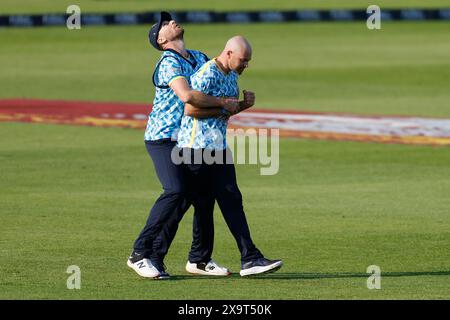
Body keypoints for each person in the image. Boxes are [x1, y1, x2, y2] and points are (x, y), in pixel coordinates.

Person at [127, 12, 238, 280]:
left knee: (201, 196)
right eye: (165, 24)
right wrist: (222, 103)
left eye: (170, 20)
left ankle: (198, 259)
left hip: (191, 139)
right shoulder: (168, 62)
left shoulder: (199, 57)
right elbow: (187, 95)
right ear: (161, 39)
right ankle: (139, 253)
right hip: (163, 138)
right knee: (176, 190)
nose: (171, 22)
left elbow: (218, 79)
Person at [178, 36, 283, 276]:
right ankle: (150, 253)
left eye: (248, 62)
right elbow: (190, 109)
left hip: (218, 148)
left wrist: (242, 105)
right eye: (243, 60)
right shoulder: (207, 74)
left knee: (229, 200)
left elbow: (225, 112)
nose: (245, 65)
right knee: (189, 204)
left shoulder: (232, 75)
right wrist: (225, 106)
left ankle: (246, 258)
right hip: (195, 148)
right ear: (228, 53)